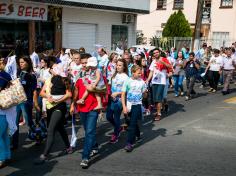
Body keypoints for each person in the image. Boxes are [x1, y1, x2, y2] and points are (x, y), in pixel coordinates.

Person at [34, 57, 73, 164]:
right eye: (53, 68)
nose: (53, 70)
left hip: (60, 107)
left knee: (51, 129)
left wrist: (58, 100)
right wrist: (48, 96)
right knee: (60, 127)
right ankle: (68, 147)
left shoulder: (64, 80)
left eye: (56, 68)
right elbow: (41, 93)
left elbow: (69, 94)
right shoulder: (49, 80)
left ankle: (44, 155)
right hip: (49, 107)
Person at [70, 53, 100, 168]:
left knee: (90, 131)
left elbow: (102, 89)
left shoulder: (96, 73)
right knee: (88, 130)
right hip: (82, 107)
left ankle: (85, 157)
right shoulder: (78, 74)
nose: (84, 65)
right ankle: (95, 146)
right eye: (82, 63)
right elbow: (76, 91)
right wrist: (73, 104)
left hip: (93, 106)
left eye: (86, 62)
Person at [12, 56, 40, 150]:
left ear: (28, 63)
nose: (21, 64)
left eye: (23, 62)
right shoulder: (19, 73)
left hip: (26, 101)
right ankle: (14, 143)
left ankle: (38, 136)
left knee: (28, 122)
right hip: (18, 101)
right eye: (20, 62)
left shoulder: (31, 75)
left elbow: (34, 91)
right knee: (15, 123)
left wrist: (35, 104)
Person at [121, 65, 147, 152]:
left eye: (141, 73)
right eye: (139, 73)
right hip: (128, 105)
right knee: (130, 122)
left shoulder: (142, 82)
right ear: (133, 73)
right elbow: (123, 94)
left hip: (137, 105)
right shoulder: (127, 81)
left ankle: (129, 143)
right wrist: (124, 107)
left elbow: (144, 94)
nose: (141, 74)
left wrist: (145, 93)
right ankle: (138, 135)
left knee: (132, 124)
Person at [106, 58, 129, 143]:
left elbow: (126, 91)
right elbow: (110, 85)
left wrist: (117, 93)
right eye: (117, 65)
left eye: (120, 65)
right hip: (111, 99)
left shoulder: (125, 77)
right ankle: (118, 127)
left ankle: (115, 135)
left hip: (119, 100)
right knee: (108, 116)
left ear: (124, 67)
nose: (118, 67)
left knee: (116, 118)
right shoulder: (114, 75)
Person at [146, 48, 172, 121]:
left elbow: (170, 67)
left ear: (159, 52)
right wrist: (148, 79)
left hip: (161, 82)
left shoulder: (164, 59)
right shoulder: (153, 61)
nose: (156, 54)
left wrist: (163, 63)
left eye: (157, 52)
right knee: (155, 99)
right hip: (154, 82)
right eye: (154, 53)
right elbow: (151, 71)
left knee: (159, 98)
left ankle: (159, 114)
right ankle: (158, 111)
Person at [0, 59, 16, 168]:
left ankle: (1, 158)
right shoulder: (6, 74)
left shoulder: (2, 75)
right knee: (3, 135)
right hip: (7, 108)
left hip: (2, 108)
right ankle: (6, 155)